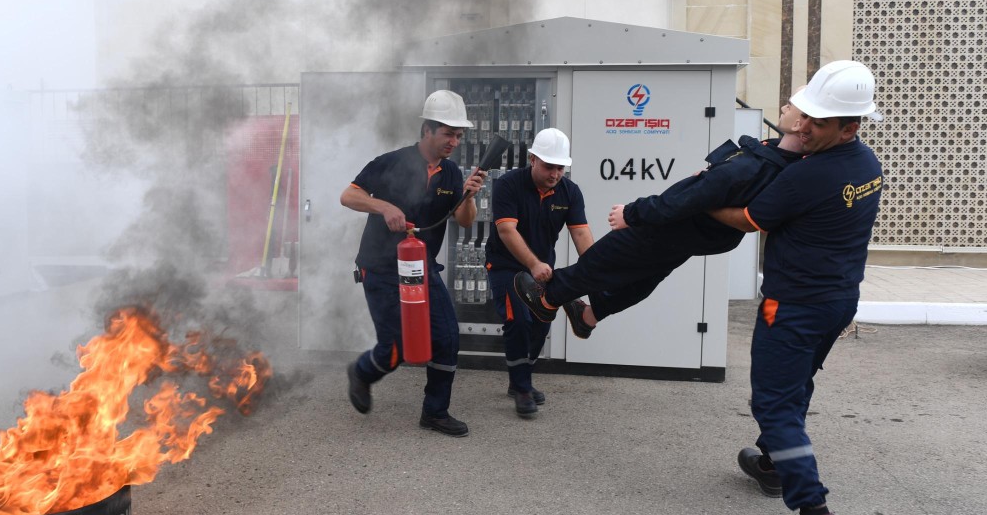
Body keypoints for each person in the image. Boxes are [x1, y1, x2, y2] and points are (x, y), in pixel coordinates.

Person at [707, 60, 883, 515]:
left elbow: (748, 219)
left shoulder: (812, 175)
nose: (804, 127)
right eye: (804, 115)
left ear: (850, 127)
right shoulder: (867, 164)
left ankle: (814, 514)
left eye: (818, 122)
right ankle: (772, 464)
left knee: (773, 401)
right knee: (796, 382)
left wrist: (701, 200)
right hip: (837, 301)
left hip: (790, 306)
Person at [512, 101, 805, 338]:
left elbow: (688, 198)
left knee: (607, 257)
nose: (784, 107)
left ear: (800, 123)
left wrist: (632, 213)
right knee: (645, 275)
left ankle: (548, 299)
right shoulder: (778, 163)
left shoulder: (755, 168)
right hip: (696, 235)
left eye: (791, 105)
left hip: (675, 225)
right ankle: (588, 316)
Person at [342, 90, 487, 436]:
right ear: (427, 130)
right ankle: (362, 372)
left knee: (447, 336)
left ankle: (435, 412)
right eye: (448, 134)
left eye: (458, 136)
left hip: (421, 268)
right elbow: (348, 195)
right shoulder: (391, 162)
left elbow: (465, 221)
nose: (454, 142)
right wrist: (384, 206)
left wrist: (469, 196)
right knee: (396, 348)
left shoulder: (451, 173)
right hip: (380, 268)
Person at [484, 128, 593, 418]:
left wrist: (598, 272)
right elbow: (506, 231)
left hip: (542, 269)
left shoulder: (570, 192)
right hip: (506, 265)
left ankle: (521, 376)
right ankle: (522, 387)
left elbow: (581, 234)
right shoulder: (508, 185)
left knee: (541, 323)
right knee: (518, 320)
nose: (555, 174)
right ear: (532, 159)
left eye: (560, 168)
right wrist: (533, 264)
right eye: (549, 166)